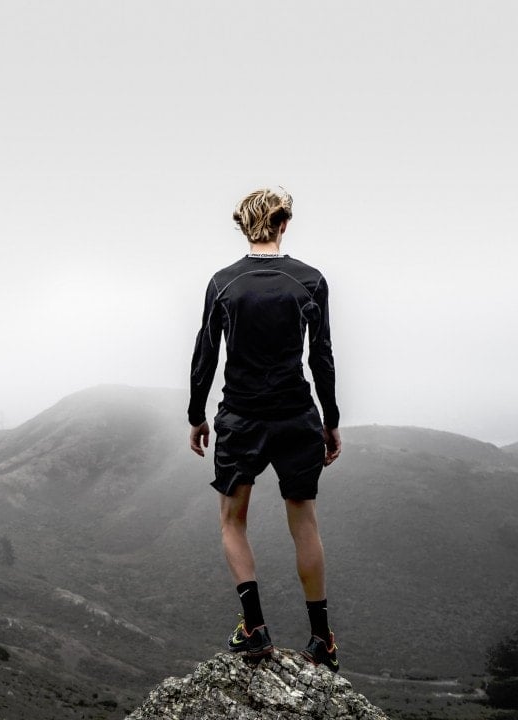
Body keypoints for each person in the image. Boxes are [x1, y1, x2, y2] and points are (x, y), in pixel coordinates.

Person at [188, 187, 342, 671]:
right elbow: (322, 356)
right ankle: (321, 640)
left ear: (242, 226)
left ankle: (254, 629)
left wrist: (197, 414)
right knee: (305, 521)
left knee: (233, 520)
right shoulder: (310, 281)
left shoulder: (223, 284)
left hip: (241, 417)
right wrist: (331, 421)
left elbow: (206, 353)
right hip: (297, 414)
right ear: (284, 225)